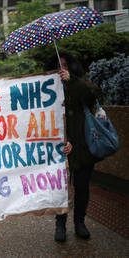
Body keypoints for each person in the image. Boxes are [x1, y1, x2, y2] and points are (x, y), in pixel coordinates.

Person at [48, 53, 102, 242]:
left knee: (82, 187)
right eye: (59, 65)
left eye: (66, 65)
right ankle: (60, 224)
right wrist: (64, 140)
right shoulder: (49, 90)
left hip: (83, 146)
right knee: (60, 188)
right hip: (61, 147)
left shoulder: (80, 83)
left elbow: (93, 95)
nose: (62, 69)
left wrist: (72, 82)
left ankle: (80, 222)